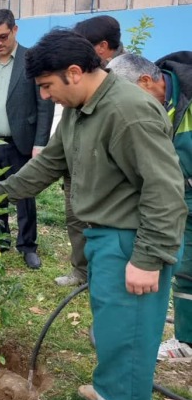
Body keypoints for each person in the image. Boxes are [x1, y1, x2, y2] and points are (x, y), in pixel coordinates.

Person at [0, 29, 186, 400]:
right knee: (112, 327)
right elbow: (50, 163)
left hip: (132, 240)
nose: (44, 96)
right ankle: (115, 392)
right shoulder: (79, 108)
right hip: (104, 238)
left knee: (129, 332)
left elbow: (165, 189)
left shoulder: (129, 112)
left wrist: (148, 258)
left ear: (74, 73)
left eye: (47, 86)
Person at [107, 51, 192, 358]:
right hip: (178, 194)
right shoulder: (152, 104)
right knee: (186, 268)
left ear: (146, 81)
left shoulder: (187, 97)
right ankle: (187, 339)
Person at [0, 9, 54, 269]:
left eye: (3, 36)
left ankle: (28, 245)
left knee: (24, 195)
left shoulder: (32, 61)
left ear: (15, 30)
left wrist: (40, 143)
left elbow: (45, 107)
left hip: (22, 142)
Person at [56, 16, 127, 286]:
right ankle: (82, 271)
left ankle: (105, 276)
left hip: (104, 168)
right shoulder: (79, 74)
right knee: (75, 216)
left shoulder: (126, 75)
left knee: (105, 227)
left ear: (101, 47)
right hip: (77, 159)